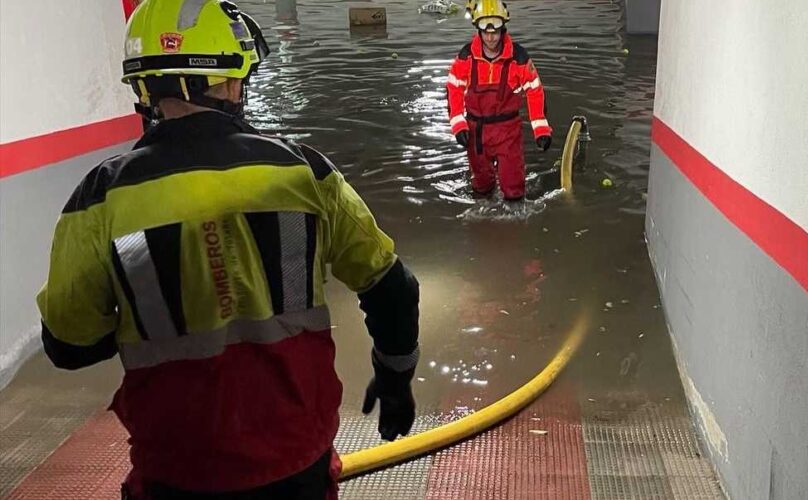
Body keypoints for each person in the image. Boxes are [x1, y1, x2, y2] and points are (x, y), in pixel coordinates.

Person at [35, 1, 419, 498]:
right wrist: (395, 380)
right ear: (230, 81)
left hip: (175, 470)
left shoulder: (100, 198)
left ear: (144, 85)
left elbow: (68, 345)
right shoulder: (304, 172)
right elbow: (393, 288)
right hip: (296, 461)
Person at [446, 0, 553, 201]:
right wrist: (459, 125)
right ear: (478, 29)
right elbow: (454, 90)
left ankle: (514, 222)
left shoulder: (518, 57)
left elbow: (535, 91)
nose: (490, 37)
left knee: (513, 186)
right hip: (476, 132)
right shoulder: (466, 57)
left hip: (508, 132)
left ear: (503, 27)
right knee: (481, 186)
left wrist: (541, 129)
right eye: (485, 31)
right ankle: (482, 218)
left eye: (495, 31)